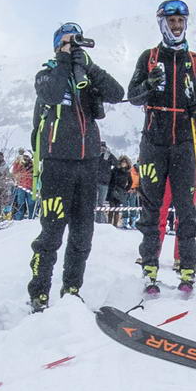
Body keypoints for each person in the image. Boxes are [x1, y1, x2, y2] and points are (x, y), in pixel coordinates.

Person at [125, 0, 196, 298]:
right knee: (152, 208)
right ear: (162, 23)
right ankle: (149, 265)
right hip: (153, 142)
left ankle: (187, 268)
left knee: (186, 209)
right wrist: (148, 85)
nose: (176, 26)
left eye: (180, 21)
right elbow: (133, 96)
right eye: (171, 21)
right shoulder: (149, 57)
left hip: (185, 144)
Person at [27, 21, 124, 310]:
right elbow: (53, 93)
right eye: (68, 41)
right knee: (51, 235)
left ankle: (71, 290)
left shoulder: (86, 75)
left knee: (83, 235)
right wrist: (64, 61)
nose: (73, 46)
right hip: (57, 164)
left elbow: (117, 93)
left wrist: (90, 67)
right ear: (57, 45)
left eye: (76, 41)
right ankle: (39, 292)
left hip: (88, 164)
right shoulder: (46, 74)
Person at [10, 150, 36, 219]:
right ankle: (19, 216)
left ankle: (31, 216)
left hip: (31, 187)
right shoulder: (19, 163)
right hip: (21, 186)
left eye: (27, 157)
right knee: (20, 202)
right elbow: (14, 172)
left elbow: (37, 174)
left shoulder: (34, 164)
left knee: (31, 203)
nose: (26, 158)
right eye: (25, 156)